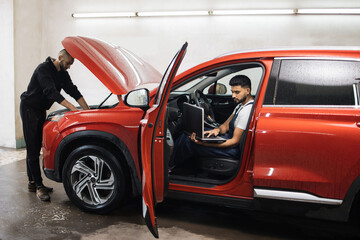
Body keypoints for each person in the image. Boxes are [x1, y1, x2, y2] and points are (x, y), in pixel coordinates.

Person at [20, 49, 89, 201]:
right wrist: (73, 108)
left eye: (71, 64)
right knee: (33, 147)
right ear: (60, 58)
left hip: (40, 109)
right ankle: (38, 186)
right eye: (68, 63)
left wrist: (87, 109)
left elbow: (72, 90)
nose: (69, 66)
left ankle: (32, 182)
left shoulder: (62, 73)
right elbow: (50, 92)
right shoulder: (43, 69)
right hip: (29, 108)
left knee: (35, 146)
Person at [170, 75, 254, 168]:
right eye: (232, 92)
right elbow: (225, 126)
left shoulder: (247, 111)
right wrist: (215, 131)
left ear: (247, 91)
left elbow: (234, 142)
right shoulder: (240, 106)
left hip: (233, 150)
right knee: (192, 134)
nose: (233, 96)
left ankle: (170, 167)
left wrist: (203, 143)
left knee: (189, 142)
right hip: (228, 139)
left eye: (237, 92)